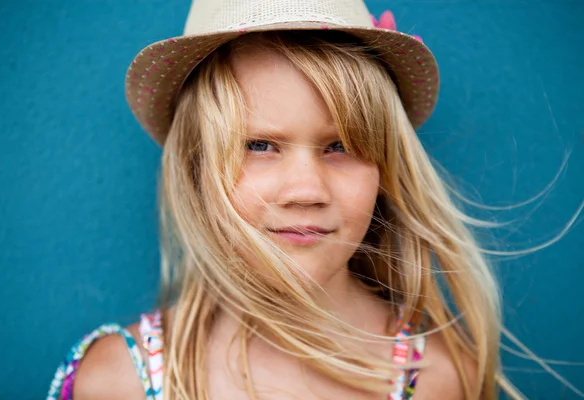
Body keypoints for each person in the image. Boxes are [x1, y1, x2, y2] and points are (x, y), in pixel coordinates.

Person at [47, 1, 528, 399]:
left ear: (385, 168)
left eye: (341, 146)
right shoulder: (118, 381)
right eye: (258, 145)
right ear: (194, 166)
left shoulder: (439, 380)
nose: (305, 192)